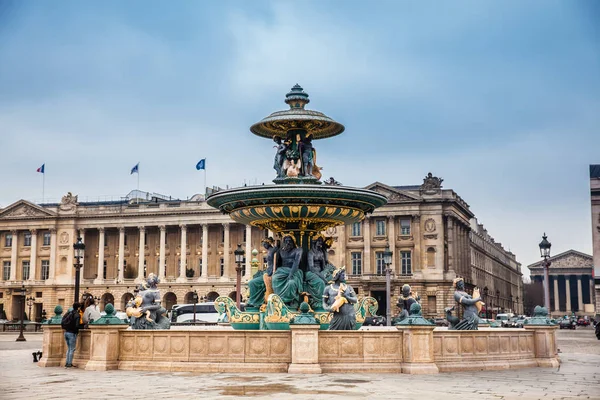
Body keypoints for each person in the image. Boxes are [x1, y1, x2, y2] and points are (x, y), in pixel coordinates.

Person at [271, 233, 304, 309]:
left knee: (291, 283)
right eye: (286, 241)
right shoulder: (281, 251)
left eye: (289, 241)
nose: (288, 243)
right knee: (275, 279)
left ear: (293, 242)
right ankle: (279, 300)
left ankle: (290, 301)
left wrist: (291, 274)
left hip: (294, 270)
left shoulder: (298, 250)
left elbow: (296, 263)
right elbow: (274, 261)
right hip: (282, 270)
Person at [304, 235, 334, 310]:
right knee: (321, 282)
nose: (320, 243)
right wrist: (322, 276)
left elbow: (323, 266)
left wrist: (327, 273)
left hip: (320, 272)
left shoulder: (321, 252)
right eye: (319, 241)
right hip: (311, 273)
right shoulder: (311, 253)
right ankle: (320, 302)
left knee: (332, 280)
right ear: (315, 242)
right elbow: (311, 267)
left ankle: (331, 301)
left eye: (321, 241)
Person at [247, 237, 278, 308]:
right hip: (267, 271)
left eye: (265, 244)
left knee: (252, 283)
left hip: (271, 273)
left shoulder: (273, 251)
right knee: (252, 280)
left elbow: (275, 264)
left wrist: (271, 273)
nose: (264, 246)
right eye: (263, 244)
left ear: (269, 243)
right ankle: (255, 301)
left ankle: (254, 302)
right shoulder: (270, 251)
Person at [61, 302, 82, 368]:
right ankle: (69, 364)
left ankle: (67, 362)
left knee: (69, 349)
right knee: (72, 349)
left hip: (66, 332)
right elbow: (77, 325)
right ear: (78, 308)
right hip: (72, 333)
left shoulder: (69, 313)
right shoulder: (77, 315)